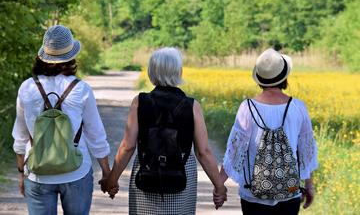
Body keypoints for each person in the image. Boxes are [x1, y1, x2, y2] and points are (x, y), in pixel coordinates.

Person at [103, 47, 227, 214]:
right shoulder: (192, 106)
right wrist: (219, 186)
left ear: (151, 72)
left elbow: (128, 146)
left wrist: (112, 179)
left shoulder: (140, 102)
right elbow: (203, 151)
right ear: (179, 72)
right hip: (182, 173)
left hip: (147, 170)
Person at [12, 25, 112, 215]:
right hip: (76, 172)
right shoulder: (81, 89)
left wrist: (21, 173)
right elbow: (96, 135)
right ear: (71, 56)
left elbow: (20, 136)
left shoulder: (27, 88)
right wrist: (107, 174)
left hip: (38, 173)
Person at [220, 48, 318, 215]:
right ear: (284, 77)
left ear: (260, 79)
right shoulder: (298, 107)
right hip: (290, 190)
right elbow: (306, 152)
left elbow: (235, 151)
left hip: (252, 193)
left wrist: (219, 185)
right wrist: (309, 185)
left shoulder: (247, 107)